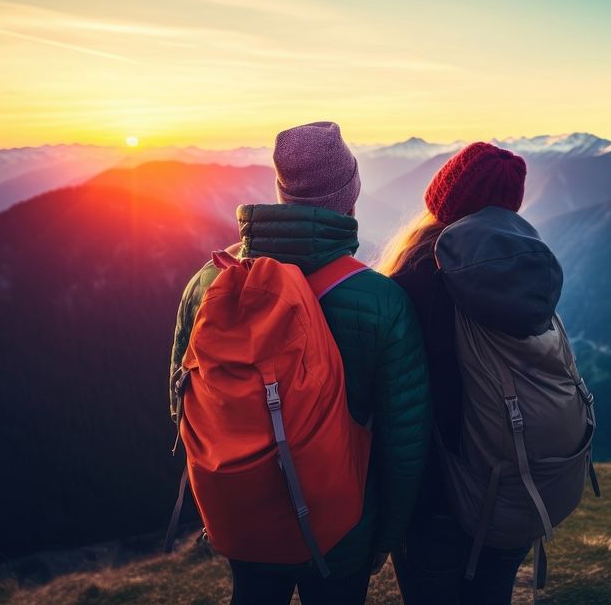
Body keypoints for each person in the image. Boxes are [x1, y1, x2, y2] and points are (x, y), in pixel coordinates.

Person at [169, 121, 432, 605]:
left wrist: (220, 498)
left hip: (244, 516)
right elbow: (404, 442)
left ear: (281, 195)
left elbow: (183, 402)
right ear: (351, 196)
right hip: (342, 527)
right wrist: (385, 537)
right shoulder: (382, 302)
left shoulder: (210, 283)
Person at [378, 142, 531, 605]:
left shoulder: (411, 282)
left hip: (435, 499)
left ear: (441, 198)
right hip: (507, 486)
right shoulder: (523, 278)